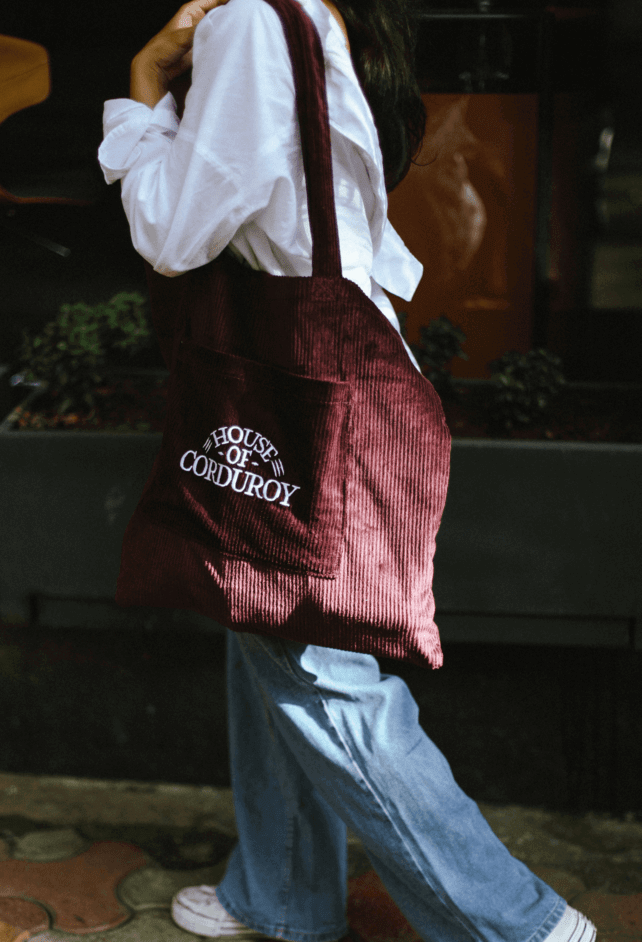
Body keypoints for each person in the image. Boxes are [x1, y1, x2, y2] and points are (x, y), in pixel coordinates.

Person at [98, 1, 597, 940]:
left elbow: (173, 232)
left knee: (326, 679)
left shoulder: (250, 22)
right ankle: (283, 894)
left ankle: (519, 927)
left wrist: (137, 93)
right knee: (268, 627)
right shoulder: (310, 14)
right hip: (318, 378)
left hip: (295, 399)